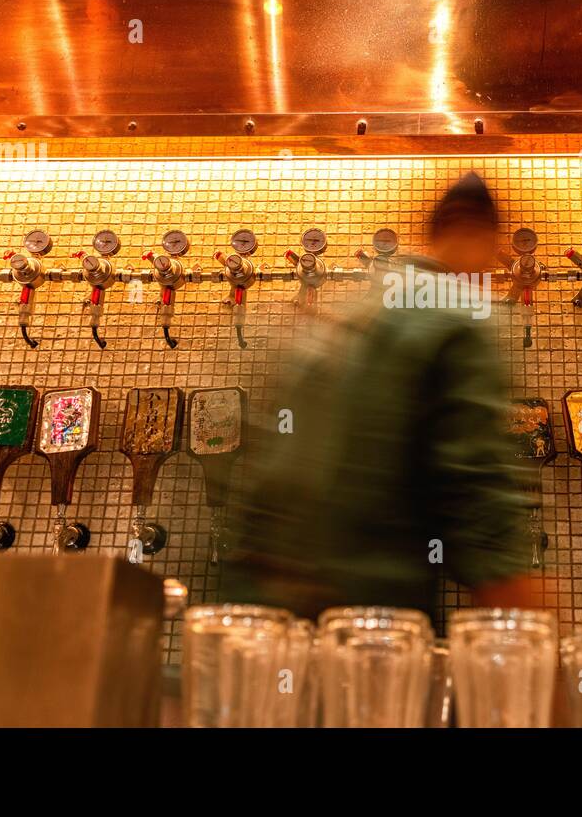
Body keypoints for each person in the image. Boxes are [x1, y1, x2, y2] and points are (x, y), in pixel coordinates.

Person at [222, 173, 541, 627]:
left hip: (265, 606)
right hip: (369, 617)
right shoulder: (458, 319)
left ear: (430, 234)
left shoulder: (354, 316)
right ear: (487, 240)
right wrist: (523, 616)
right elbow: (475, 486)